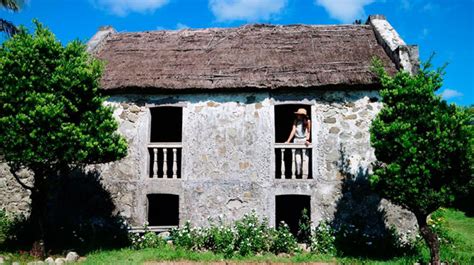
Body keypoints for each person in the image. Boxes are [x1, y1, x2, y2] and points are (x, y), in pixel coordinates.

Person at [285, 108, 311, 176]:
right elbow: (293, 131)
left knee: (305, 159)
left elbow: (308, 131)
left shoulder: (308, 121)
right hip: (296, 140)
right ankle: (298, 173)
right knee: (297, 160)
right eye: (297, 114)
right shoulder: (296, 121)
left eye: (299, 114)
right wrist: (288, 141)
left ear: (303, 115)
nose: (298, 115)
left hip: (304, 140)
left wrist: (307, 140)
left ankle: (305, 174)